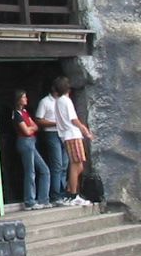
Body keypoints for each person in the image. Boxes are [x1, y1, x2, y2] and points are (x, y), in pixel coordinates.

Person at [53, 76, 96, 205]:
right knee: (75, 164)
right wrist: (85, 130)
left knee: (79, 165)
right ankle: (73, 194)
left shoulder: (58, 102)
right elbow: (74, 119)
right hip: (72, 135)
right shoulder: (66, 101)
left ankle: (69, 191)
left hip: (67, 135)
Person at [11, 89, 48, 210]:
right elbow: (26, 131)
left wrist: (31, 128)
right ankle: (29, 201)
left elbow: (35, 126)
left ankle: (43, 199)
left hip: (31, 142)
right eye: (23, 97)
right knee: (30, 172)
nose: (26, 99)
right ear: (18, 99)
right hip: (25, 142)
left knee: (44, 170)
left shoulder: (25, 112)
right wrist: (31, 128)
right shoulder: (16, 114)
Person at [35, 78, 68, 207]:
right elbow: (39, 120)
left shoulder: (64, 101)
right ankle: (56, 195)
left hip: (64, 133)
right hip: (51, 133)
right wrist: (56, 123)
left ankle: (63, 192)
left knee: (65, 164)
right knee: (57, 164)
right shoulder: (45, 102)